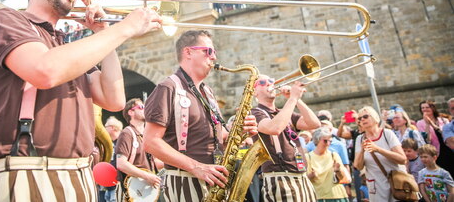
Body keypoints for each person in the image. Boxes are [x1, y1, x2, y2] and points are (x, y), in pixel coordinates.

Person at [0, 0, 162, 201]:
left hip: (78, 173)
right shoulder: (7, 19)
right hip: (27, 169)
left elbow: (114, 99)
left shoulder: (66, 46)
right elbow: (44, 71)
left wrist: (104, 31)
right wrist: (125, 28)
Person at [143, 30, 257, 202]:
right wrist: (197, 167)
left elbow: (217, 139)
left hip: (213, 180)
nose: (214, 58)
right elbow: (150, 142)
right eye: (208, 51)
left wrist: (239, 133)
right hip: (186, 183)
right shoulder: (168, 87)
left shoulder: (207, 92)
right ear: (188, 52)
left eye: (214, 53)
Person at [251, 73, 321, 202]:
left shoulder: (284, 112)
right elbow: (274, 128)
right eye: (262, 82)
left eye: (271, 80)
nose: (269, 83)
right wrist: (292, 99)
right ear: (254, 92)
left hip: (302, 176)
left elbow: (314, 124)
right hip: (279, 177)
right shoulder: (255, 112)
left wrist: (297, 99)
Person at [354, 106, 408, 202]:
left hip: (396, 184)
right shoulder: (360, 139)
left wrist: (378, 149)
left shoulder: (387, 134)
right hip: (376, 187)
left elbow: (402, 159)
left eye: (365, 116)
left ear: (375, 118)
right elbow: (358, 166)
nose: (362, 119)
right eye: (359, 118)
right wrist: (362, 150)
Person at [115, 99, 161, 201]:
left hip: (144, 192)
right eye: (141, 107)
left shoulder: (146, 136)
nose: (145, 109)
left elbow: (153, 163)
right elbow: (121, 164)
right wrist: (147, 176)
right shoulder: (127, 133)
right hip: (130, 190)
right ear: (131, 112)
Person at [306, 127, 350, 202]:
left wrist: (338, 171)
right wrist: (312, 175)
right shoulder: (308, 157)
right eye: (325, 141)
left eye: (330, 141)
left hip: (337, 195)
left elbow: (343, 179)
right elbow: (304, 179)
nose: (328, 144)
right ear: (317, 140)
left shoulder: (334, 155)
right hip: (319, 197)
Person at [102, 116, 123, 202]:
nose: (104, 129)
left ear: (112, 128)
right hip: (109, 187)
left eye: (106, 127)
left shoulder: (122, 141)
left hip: (118, 186)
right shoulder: (110, 142)